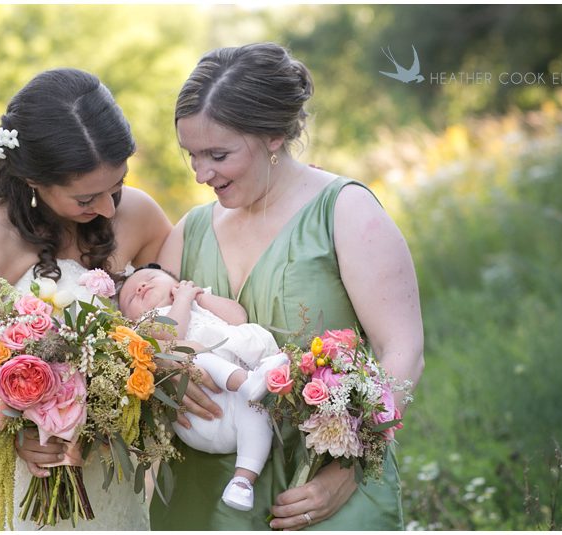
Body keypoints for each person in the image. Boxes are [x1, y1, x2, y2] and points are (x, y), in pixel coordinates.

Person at [152, 42, 425, 530]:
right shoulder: (189, 231)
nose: (201, 174)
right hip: (205, 498)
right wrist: (167, 372)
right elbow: (148, 340)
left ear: (274, 136)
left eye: (218, 154)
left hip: (320, 486)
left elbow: (402, 351)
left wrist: (348, 469)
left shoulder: (346, 211)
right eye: (191, 155)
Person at [0, 68, 176, 530]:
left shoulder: (140, 215)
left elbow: (182, 315)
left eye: (117, 185)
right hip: (20, 493)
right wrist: (13, 426)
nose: (109, 208)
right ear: (33, 180)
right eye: (87, 198)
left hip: (112, 488)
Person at [116, 263, 289, 511]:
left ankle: (242, 482)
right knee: (192, 353)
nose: (141, 287)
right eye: (131, 297)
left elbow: (238, 317)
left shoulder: (198, 300)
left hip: (234, 404)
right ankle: (247, 381)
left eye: (150, 278)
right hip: (200, 412)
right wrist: (183, 299)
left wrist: (199, 295)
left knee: (257, 411)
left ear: (177, 282)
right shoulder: (145, 326)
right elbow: (172, 333)